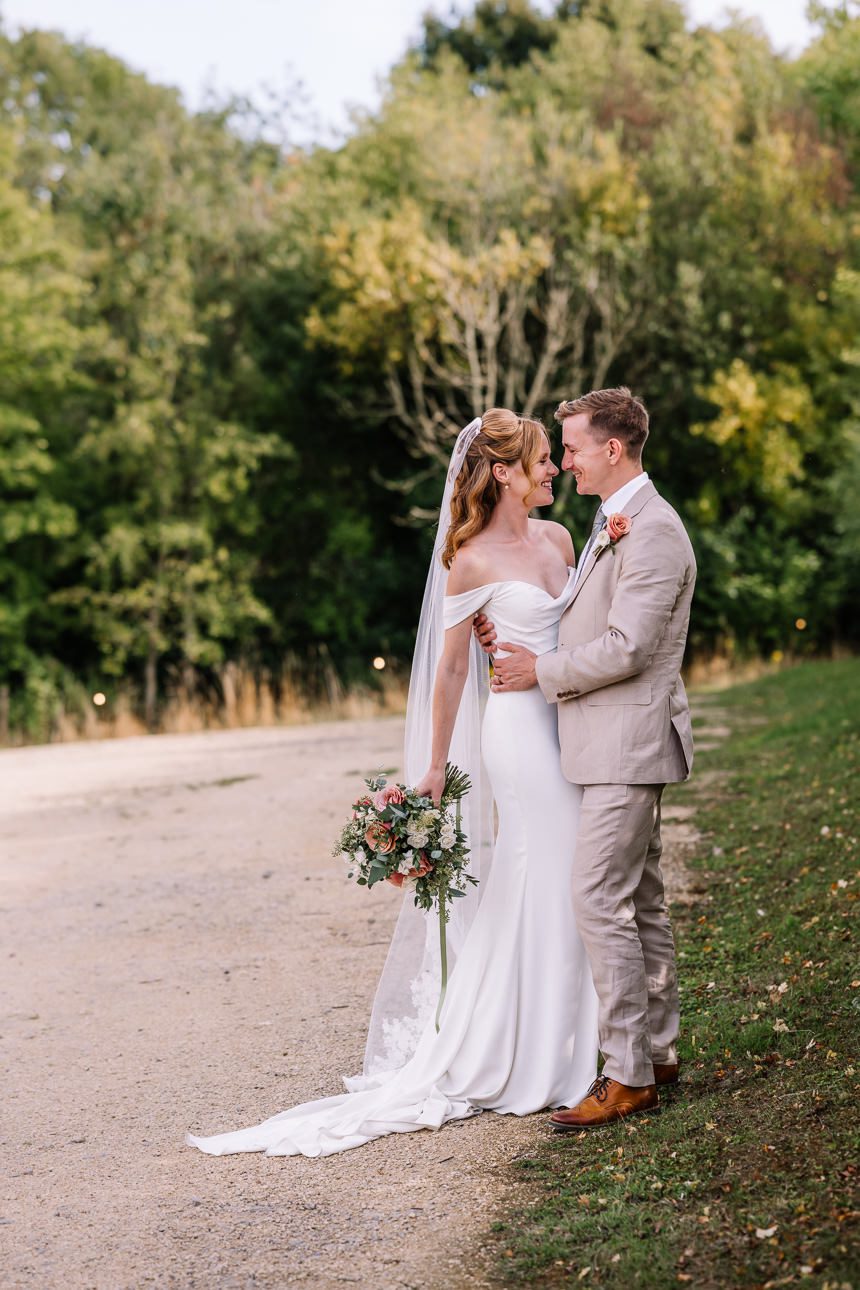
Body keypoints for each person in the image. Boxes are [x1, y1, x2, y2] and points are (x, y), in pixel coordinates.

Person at [186, 409, 598, 1159]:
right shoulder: (469, 560)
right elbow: (450, 668)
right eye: (542, 459)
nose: (553, 470)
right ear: (503, 472)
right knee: (544, 863)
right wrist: (434, 766)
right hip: (517, 730)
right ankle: (536, 1049)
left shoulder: (563, 539)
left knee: (569, 870)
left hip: (564, 717)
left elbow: (580, 622)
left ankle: (572, 1034)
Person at [475, 387, 696, 1130]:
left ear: (613, 449)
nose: (564, 461)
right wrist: (514, 633)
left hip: (624, 745)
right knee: (641, 900)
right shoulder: (611, 521)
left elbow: (628, 648)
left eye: (571, 448)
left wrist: (540, 670)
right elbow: (582, 614)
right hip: (608, 741)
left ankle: (628, 1073)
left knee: (599, 898)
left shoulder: (653, 530)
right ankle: (657, 1052)